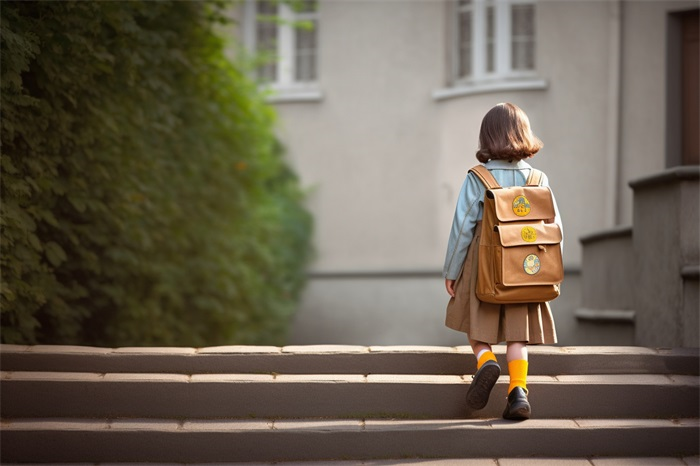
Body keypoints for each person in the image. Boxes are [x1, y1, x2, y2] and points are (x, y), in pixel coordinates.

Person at [443, 102, 562, 420]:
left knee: (476, 331)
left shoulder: (477, 178)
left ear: (487, 137)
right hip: (525, 272)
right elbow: (555, 229)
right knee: (517, 336)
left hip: (483, 270)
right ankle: (518, 392)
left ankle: (485, 362)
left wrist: (451, 271)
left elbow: (462, 228)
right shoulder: (538, 179)